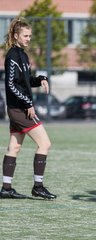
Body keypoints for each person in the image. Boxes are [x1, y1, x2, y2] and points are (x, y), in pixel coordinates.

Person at [0, 17, 56, 199]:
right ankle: (38, 186)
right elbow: (11, 85)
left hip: (19, 108)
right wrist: (28, 103)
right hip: (19, 109)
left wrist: (40, 79)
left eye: (30, 36)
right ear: (16, 36)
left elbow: (25, 81)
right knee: (45, 143)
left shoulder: (23, 55)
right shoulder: (12, 56)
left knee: (14, 148)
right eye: (25, 35)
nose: (28, 39)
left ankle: (6, 188)